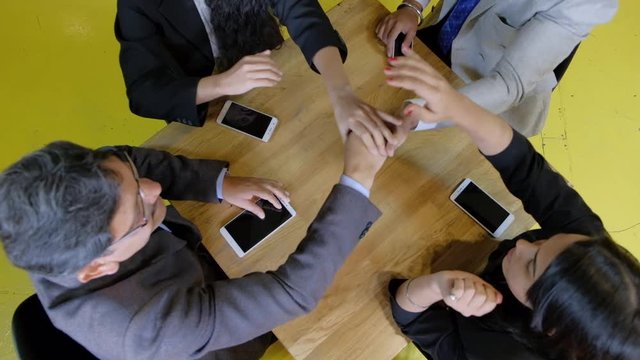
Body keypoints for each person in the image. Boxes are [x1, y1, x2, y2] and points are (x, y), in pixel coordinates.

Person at [0, 132, 392, 359]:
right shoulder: (153, 328)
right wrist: (357, 178)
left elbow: (128, 159)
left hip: (190, 270)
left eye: (134, 179)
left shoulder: (58, 212)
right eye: (140, 209)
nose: (155, 191)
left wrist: (218, 184)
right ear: (97, 268)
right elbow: (293, 292)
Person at [383, 50, 640, 360]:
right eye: (546, 238)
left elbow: (412, 318)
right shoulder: (583, 249)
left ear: (549, 328)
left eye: (532, 265)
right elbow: (523, 165)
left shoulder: (503, 352)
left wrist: (439, 286)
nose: (522, 245)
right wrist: (457, 107)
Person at [116, 0, 401, 156]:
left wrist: (342, 92)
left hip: (264, 75)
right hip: (203, 98)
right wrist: (223, 83)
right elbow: (144, 92)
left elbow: (302, 12)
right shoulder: (137, 4)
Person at [376, 0, 618, 136]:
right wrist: (413, 6)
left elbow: (509, 84)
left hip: (485, 101)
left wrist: (422, 112)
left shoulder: (588, 3)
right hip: (437, 41)